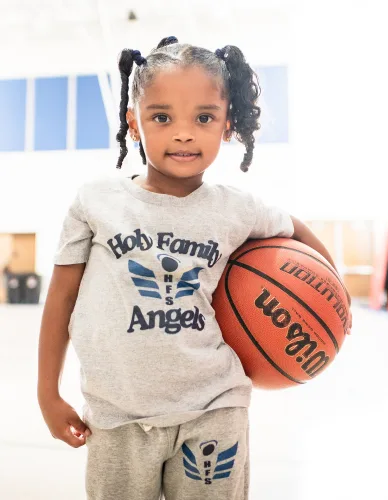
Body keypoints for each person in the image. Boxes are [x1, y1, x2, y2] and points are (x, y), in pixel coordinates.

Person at [37, 36, 352, 500]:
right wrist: (48, 393)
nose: (184, 133)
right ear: (134, 124)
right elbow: (61, 298)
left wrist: (336, 302)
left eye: (204, 117)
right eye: (162, 117)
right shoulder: (96, 201)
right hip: (118, 413)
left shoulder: (237, 209)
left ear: (227, 126)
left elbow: (296, 230)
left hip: (213, 406)